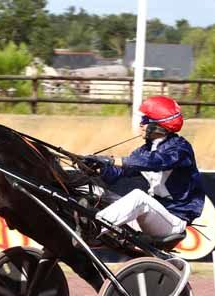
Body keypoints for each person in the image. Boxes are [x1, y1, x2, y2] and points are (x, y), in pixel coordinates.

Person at [84, 96, 205, 239]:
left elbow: (154, 162)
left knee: (138, 197)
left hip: (173, 218)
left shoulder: (180, 148)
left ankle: (93, 228)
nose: (141, 124)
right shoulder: (145, 149)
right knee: (97, 191)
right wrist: (98, 167)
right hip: (152, 214)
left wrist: (110, 160)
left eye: (145, 120)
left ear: (159, 126)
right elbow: (122, 171)